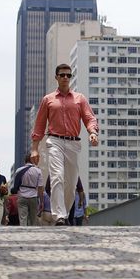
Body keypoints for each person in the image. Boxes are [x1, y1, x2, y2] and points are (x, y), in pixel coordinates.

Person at [31, 63, 99, 226]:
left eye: (68, 75)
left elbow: (89, 118)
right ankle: (59, 215)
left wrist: (93, 133)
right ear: (56, 77)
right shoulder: (48, 99)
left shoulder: (79, 98)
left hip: (73, 144)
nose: (65, 78)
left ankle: (64, 213)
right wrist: (34, 149)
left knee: (71, 184)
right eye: (62, 75)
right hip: (54, 141)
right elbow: (39, 125)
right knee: (57, 176)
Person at [14, 152, 43, 226]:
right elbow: (40, 187)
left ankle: (23, 234)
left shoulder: (18, 170)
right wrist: (41, 201)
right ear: (33, 160)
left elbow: (16, 184)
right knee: (33, 219)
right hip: (33, 197)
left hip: (22, 196)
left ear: (25, 160)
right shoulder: (38, 171)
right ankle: (32, 234)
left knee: (23, 218)